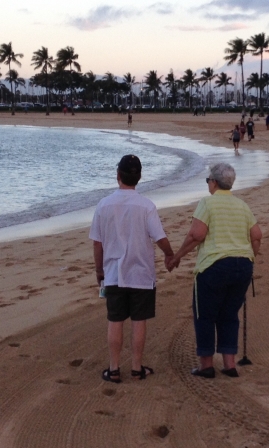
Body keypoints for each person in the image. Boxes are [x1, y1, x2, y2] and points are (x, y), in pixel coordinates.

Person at [169, 163, 262, 378]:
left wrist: (176, 257)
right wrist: (250, 257)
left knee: (205, 315)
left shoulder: (207, 203)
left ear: (213, 182)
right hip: (242, 265)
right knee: (229, 314)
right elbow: (257, 236)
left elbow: (196, 235)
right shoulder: (242, 205)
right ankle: (229, 364)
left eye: (208, 181)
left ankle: (206, 365)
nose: (208, 184)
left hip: (214, 266)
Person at [90, 155, 174, 383]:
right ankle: (136, 368)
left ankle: (114, 368)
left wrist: (99, 270)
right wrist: (169, 254)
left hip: (114, 272)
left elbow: (97, 243)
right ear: (139, 178)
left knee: (115, 320)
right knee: (139, 320)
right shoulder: (146, 205)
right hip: (141, 273)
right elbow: (159, 237)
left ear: (118, 176)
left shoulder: (104, 205)